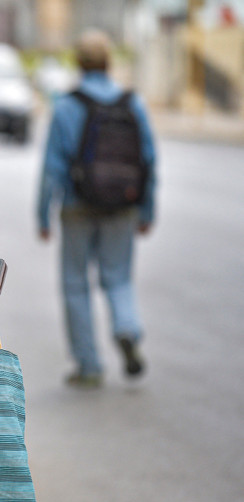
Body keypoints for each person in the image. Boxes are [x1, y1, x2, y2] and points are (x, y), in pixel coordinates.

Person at [37, 29, 157, 388]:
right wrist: (146, 210)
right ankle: (127, 328)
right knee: (118, 277)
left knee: (76, 285)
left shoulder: (65, 105)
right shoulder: (132, 103)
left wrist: (42, 215)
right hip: (123, 206)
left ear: (78, 63)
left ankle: (88, 366)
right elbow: (148, 160)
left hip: (77, 206)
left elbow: (51, 169)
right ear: (108, 62)